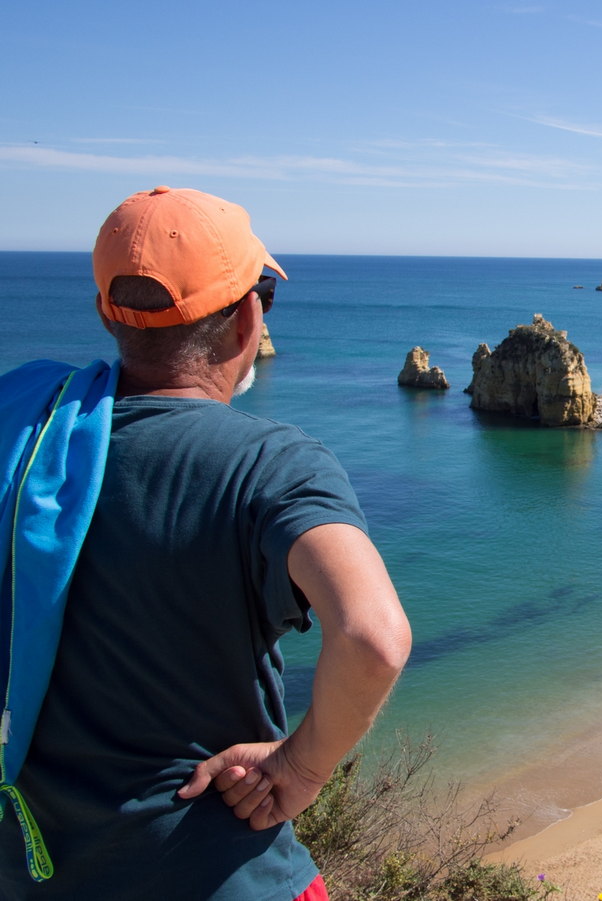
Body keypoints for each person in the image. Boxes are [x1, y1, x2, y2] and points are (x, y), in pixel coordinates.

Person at [0, 187, 412, 900]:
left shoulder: (26, 436)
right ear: (249, 317)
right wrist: (302, 766)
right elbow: (373, 638)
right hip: (220, 871)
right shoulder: (276, 465)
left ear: (105, 312)